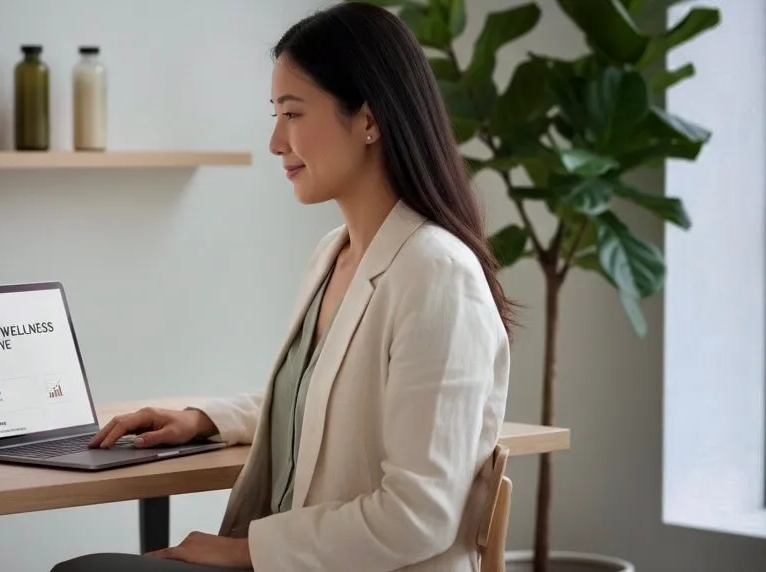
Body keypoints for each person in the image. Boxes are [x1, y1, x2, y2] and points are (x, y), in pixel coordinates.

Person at [51, 2, 513, 570]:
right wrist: (204, 419)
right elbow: (328, 395)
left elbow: (419, 515)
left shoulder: (438, 275)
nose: (275, 141)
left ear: (369, 120)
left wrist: (243, 553)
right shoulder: (334, 254)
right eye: (275, 114)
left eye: (292, 114)